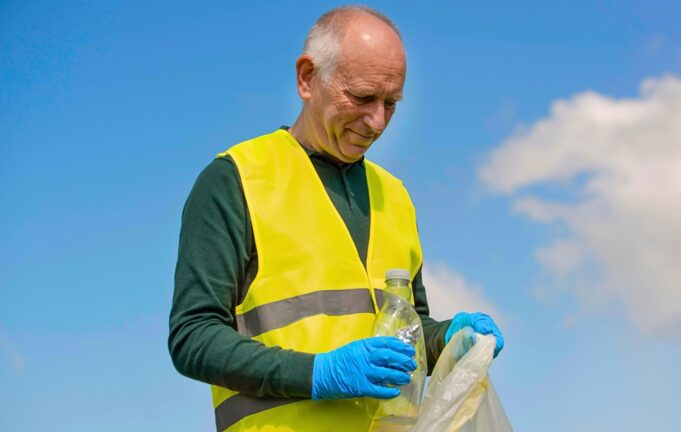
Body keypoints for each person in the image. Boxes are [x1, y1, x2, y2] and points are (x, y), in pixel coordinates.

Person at [168, 5, 504, 431]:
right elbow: (192, 336)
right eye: (363, 97)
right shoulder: (236, 179)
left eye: (391, 103)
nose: (377, 121)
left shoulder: (395, 197)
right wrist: (318, 373)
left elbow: (408, 331)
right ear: (308, 78)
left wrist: (449, 339)